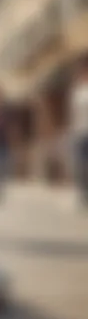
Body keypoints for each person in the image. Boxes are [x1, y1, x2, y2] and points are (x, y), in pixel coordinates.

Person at [70, 55, 88, 210]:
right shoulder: (77, 92)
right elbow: (75, 115)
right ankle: (83, 195)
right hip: (80, 134)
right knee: (81, 167)